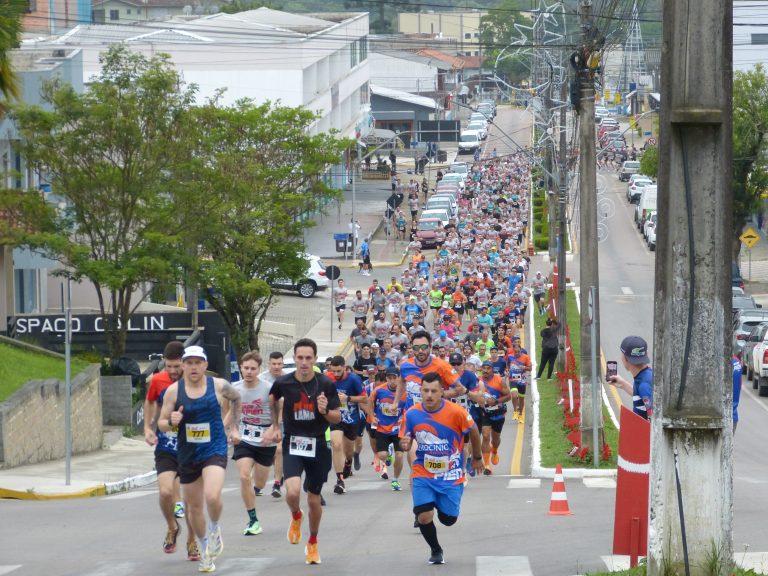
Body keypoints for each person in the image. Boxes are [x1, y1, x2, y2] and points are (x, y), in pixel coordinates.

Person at [157, 345, 242, 573]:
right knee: (194, 508)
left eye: (198, 362)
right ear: (183, 365)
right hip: (188, 453)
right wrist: (172, 421)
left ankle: (214, 528)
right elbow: (161, 423)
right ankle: (205, 550)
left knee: (212, 495)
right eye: (189, 362)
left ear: (205, 365)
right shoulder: (174, 391)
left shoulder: (218, 385)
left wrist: (234, 427)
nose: (193, 367)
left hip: (214, 448)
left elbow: (236, 398)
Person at [265, 338, 341, 565]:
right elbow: (272, 398)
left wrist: (324, 409)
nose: (304, 362)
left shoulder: (326, 384)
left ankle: (313, 541)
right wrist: (275, 426)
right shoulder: (284, 382)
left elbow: (337, 417)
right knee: (292, 492)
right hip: (293, 443)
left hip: (318, 445)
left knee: (314, 499)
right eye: (300, 358)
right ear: (295, 359)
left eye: (309, 358)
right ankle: (296, 515)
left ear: (315, 359)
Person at [399, 372, 484, 565]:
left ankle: (437, 502)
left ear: (442, 392)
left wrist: (477, 457)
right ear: (420, 391)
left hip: (450, 475)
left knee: (448, 519)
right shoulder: (412, 414)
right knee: (423, 515)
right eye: (425, 390)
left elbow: (474, 430)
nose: (429, 395)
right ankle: (436, 549)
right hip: (423, 472)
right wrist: (404, 444)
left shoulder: (456, 412)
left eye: (433, 391)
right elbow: (406, 440)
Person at [143, 341, 200, 561]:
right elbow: (149, 402)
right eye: (169, 367)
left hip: (193, 447)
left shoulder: (198, 381)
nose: (174, 371)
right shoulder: (158, 381)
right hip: (167, 445)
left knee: (190, 500)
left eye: (178, 366)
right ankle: (172, 526)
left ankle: (192, 540)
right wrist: (148, 427)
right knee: (166, 492)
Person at [229, 351, 277, 536]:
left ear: (259, 369)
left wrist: (273, 429)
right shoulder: (235, 388)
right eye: (246, 368)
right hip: (245, 436)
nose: (249, 372)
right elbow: (233, 411)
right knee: (243, 476)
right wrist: (232, 429)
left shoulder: (269, 388)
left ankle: (258, 489)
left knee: (260, 482)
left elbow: (278, 412)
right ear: (241, 368)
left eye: (253, 369)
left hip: (266, 437)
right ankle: (253, 519)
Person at [327, 356, 366, 495]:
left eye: (338, 371)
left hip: (352, 420)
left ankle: (349, 461)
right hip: (336, 418)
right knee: (336, 445)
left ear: (344, 367)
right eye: (334, 371)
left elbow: (364, 398)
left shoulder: (354, 379)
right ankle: (340, 480)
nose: (336, 374)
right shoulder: (328, 378)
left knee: (348, 451)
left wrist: (348, 398)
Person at [368, 366, 407, 490]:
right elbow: (369, 402)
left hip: (398, 428)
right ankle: (388, 454)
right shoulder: (379, 390)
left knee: (400, 455)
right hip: (382, 428)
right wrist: (371, 416)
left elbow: (409, 409)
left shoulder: (404, 393)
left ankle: (395, 480)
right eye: (389, 378)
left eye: (394, 378)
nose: (392, 381)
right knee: (382, 455)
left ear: (399, 378)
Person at [260, 351, 286, 498]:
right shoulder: (262, 379)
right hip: (265, 419)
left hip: (284, 418)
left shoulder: (289, 377)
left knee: (279, 450)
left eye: (279, 364)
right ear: (269, 364)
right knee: (268, 453)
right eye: (274, 364)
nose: (276, 366)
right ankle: (277, 473)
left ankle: (276, 484)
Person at [607, 336, 653, 420]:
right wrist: (623, 384)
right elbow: (642, 397)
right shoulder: (647, 375)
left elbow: (654, 419)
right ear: (646, 354)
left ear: (625, 358)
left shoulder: (644, 385)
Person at [478, 360, 511, 474]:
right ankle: (487, 465)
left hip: (498, 413)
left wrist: (496, 401)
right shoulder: (478, 381)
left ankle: (495, 451)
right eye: (484, 368)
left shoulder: (499, 381)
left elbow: (508, 396)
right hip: (484, 412)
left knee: (495, 440)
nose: (485, 371)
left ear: (493, 370)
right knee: (486, 436)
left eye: (488, 368)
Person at [732, 355, 742, 434]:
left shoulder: (719, 362)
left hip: (721, 416)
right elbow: (739, 386)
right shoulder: (737, 362)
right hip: (734, 416)